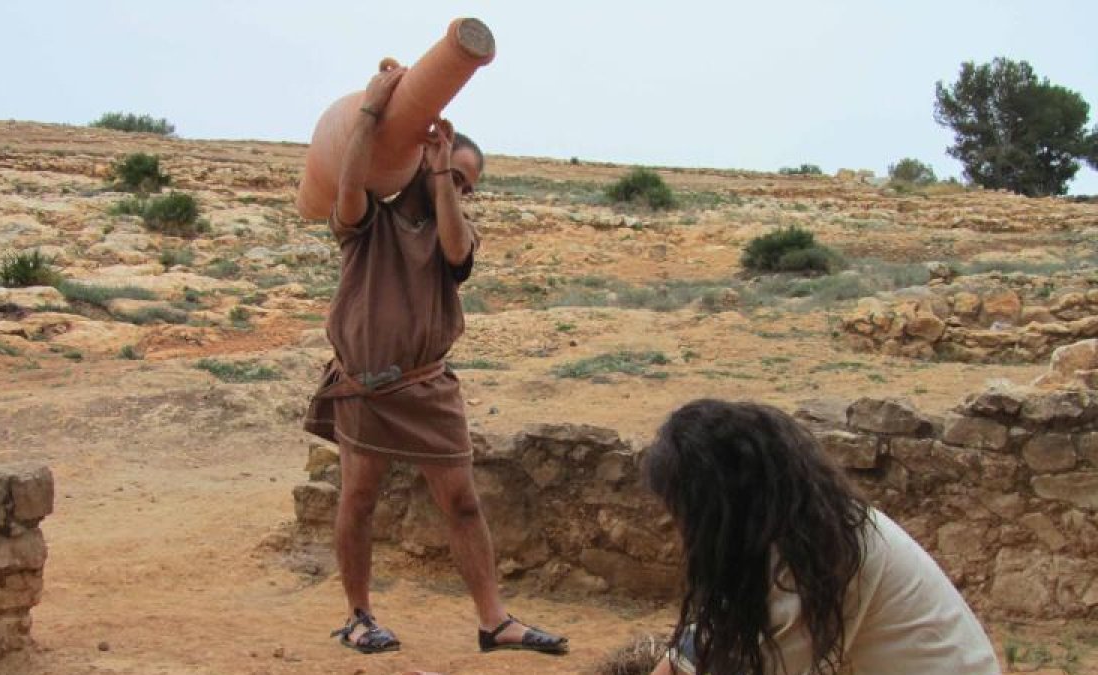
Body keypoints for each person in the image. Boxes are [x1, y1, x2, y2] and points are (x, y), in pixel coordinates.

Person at [302, 63, 567, 657]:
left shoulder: (458, 231)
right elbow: (345, 190)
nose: (463, 190)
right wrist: (372, 111)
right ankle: (359, 616)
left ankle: (494, 622)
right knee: (358, 500)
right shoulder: (369, 223)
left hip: (427, 390)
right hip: (365, 388)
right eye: (457, 176)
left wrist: (447, 179)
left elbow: (453, 249)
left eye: (470, 185)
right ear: (423, 157)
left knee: (464, 502)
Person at [642, 399, 1000, 675]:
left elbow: (734, 664)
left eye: (685, 512)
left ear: (721, 506)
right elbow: (702, 648)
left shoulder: (817, 561)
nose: (683, 529)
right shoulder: (810, 531)